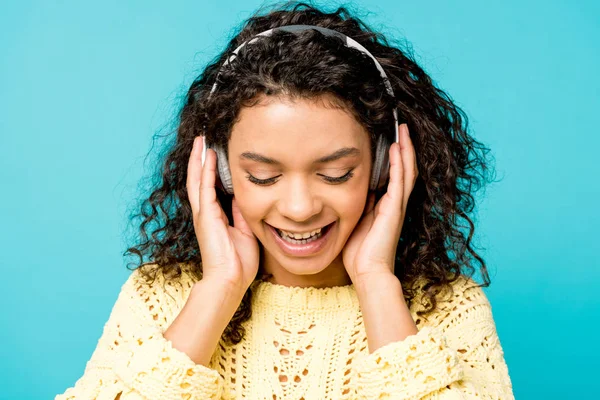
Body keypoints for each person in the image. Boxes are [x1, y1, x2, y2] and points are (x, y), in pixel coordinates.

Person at [56, 2, 514, 399]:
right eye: (263, 175)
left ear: (382, 167)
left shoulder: (448, 308)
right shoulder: (160, 298)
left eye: (335, 174)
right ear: (219, 170)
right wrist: (219, 289)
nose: (299, 208)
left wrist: (377, 284)